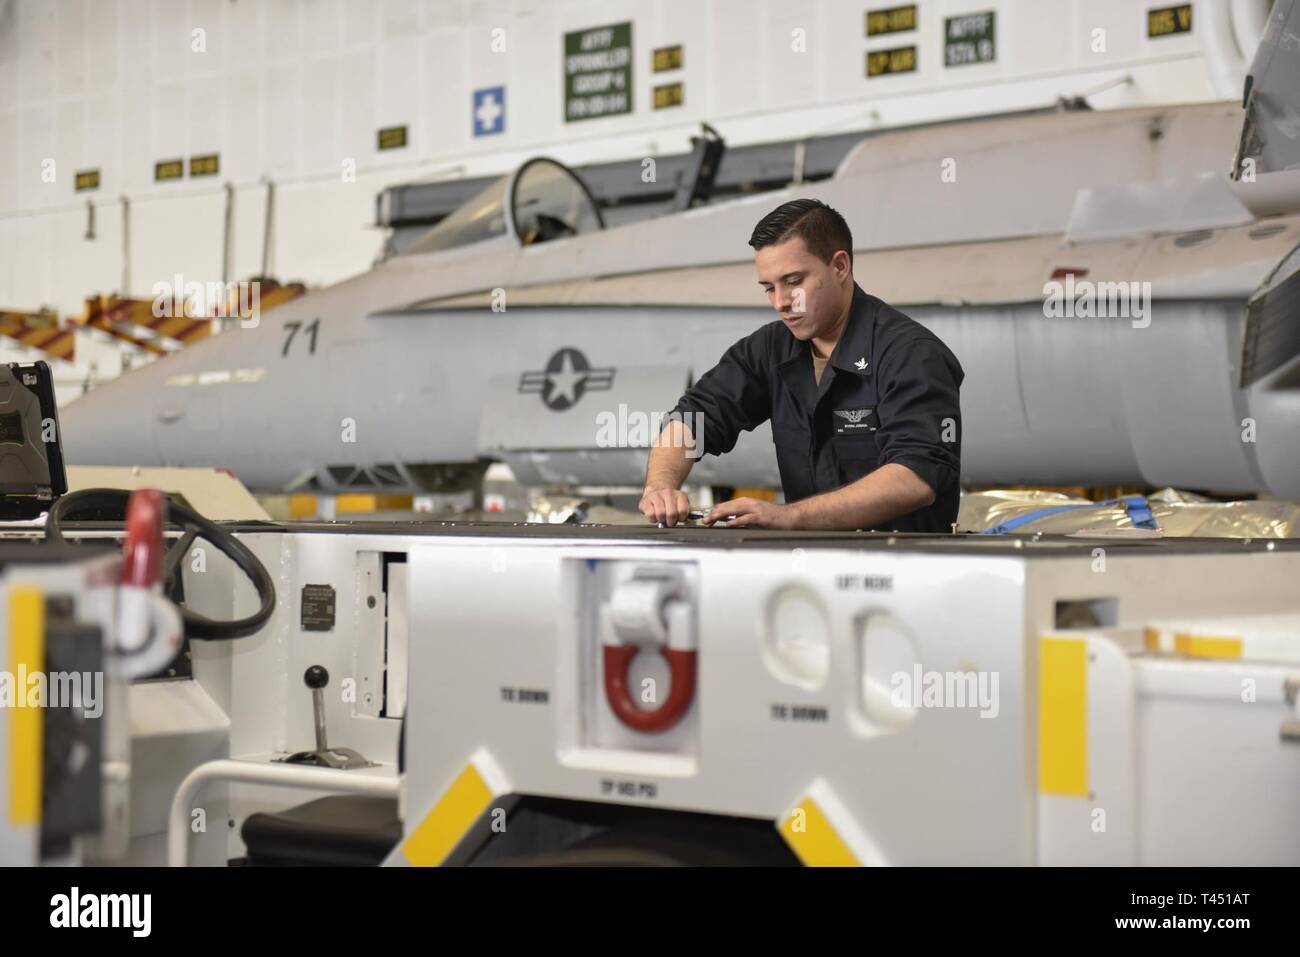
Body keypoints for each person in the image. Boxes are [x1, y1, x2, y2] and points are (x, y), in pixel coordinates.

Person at [639, 198, 963, 531]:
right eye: (769, 288)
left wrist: (789, 516)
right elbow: (694, 416)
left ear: (839, 267)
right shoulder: (769, 350)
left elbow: (917, 477)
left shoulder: (911, 354)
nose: (780, 302)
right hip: (808, 567)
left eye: (794, 282)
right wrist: (660, 485)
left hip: (903, 569)